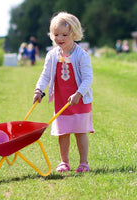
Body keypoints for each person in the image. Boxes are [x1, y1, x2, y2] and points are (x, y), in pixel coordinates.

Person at [33, 12, 94, 173]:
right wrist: (39, 90)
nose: (60, 38)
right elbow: (45, 75)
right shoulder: (52, 55)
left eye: (64, 35)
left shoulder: (82, 55)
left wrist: (79, 94)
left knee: (80, 132)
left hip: (79, 100)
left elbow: (88, 78)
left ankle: (84, 162)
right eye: (56, 34)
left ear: (74, 34)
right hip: (61, 100)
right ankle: (64, 162)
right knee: (63, 132)